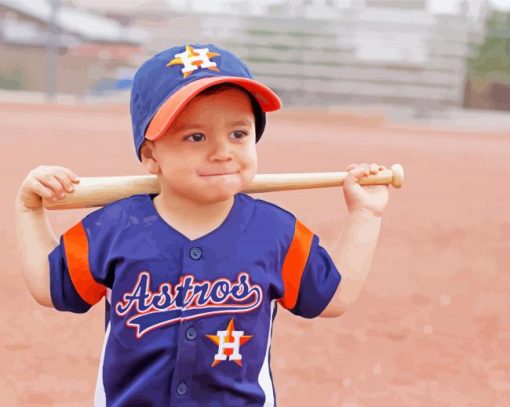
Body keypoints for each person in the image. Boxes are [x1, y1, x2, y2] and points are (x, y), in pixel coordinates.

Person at [14, 44, 390, 406]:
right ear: (151, 155)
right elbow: (52, 287)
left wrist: (365, 214)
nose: (222, 151)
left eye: (238, 134)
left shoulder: (275, 232)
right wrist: (30, 210)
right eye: (196, 136)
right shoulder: (114, 227)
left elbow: (330, 297)